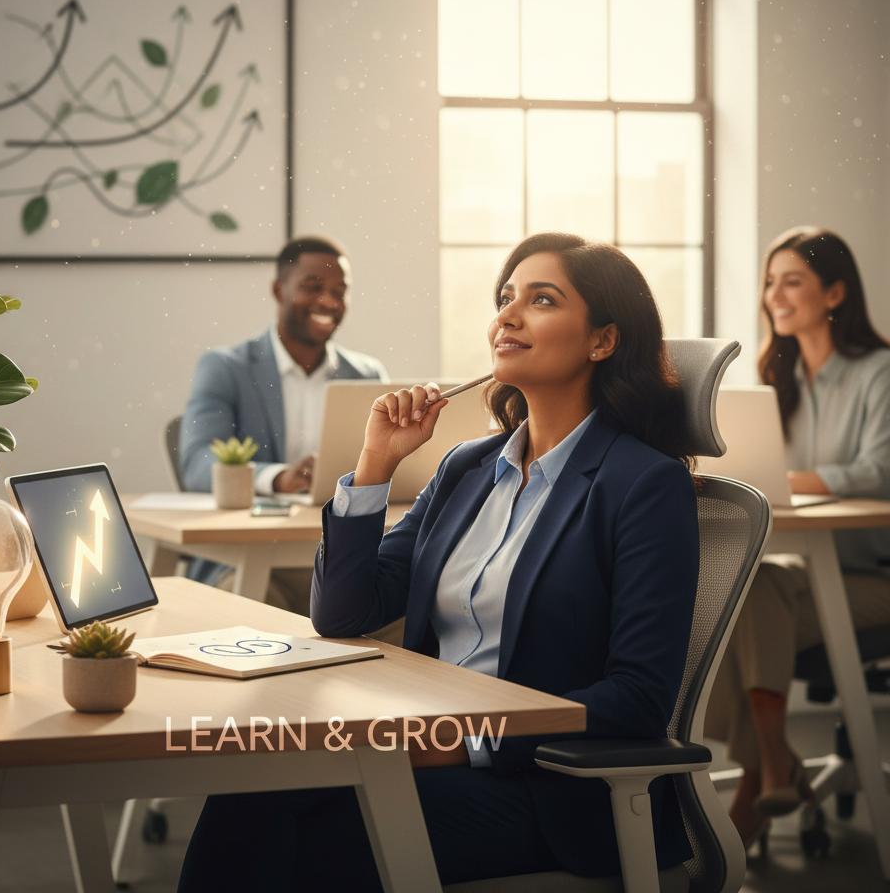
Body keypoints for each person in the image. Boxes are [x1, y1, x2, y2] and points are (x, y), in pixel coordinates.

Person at [177, 233, 700, 891]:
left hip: (545, 787)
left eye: (541, 300)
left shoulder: (643, 485)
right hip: (415, 753)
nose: (508, 315)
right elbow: (345, 614)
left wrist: (462, 741)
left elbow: (638, 698)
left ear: (602, 340)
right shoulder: (467, 468)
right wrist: (375, 465)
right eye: (505, 297)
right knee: (250, 789)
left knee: (311, 843)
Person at [705, 227, 890, 851]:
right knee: (737, 591)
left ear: (835, 292)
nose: (774, 295)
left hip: (875, 576)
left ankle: (759, 774)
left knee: (748, 601)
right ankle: (774, 761)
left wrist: (783, 478)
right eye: (769, 281)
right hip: (805, 575)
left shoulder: (880, 372)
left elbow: (880, 473)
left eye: (793, 281)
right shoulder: (772, 377)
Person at [178, 236, 387, 607]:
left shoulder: (366, 375)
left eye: (340, 290)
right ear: (279, 289)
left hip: (335, 557)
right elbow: (197, 465)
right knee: (249, 608)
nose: (329, 301)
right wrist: (276, 478)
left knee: (413, 604)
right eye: (313, 287)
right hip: (252, 557)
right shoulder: (226, 368)